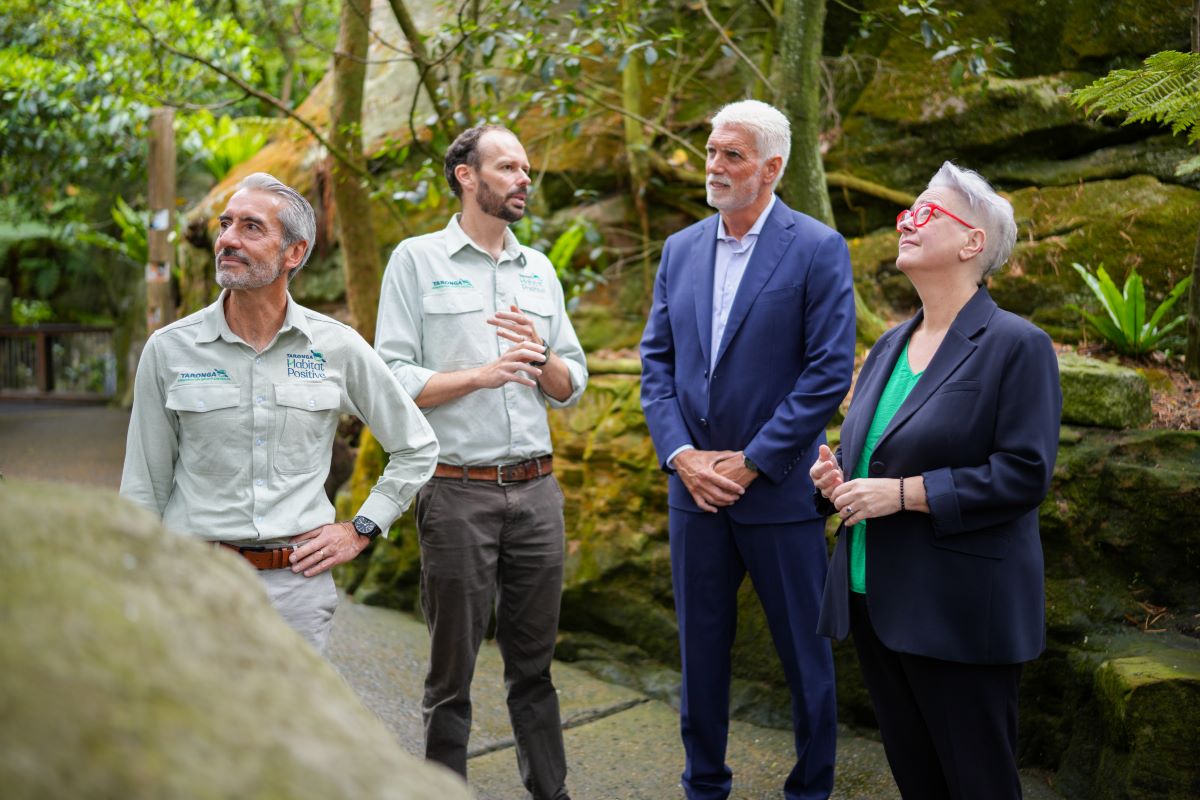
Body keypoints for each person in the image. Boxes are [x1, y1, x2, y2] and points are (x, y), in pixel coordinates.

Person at [811, 162, 1061, 800]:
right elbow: (871, 454)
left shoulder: (1017, 345)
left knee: (979, 783)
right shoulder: (889, 346)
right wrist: (833, 477)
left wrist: (903, 494)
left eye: (925, 212)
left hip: (958, 609)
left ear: (973, 242)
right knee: (918, 782)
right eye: (906, 212)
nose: (907, 222)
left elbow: (1024, 473)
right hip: (875, 602)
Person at [120, 172, 439, 653]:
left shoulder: (336, 346)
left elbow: (416, 445)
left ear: (294, 253)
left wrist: (362, 527)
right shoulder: (169, 350)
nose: (227, 239)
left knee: (288, 729)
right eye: (226, 224)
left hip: (296, 592)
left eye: (251, 228)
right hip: (192, 583)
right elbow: (144, 485)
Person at [639, 99, 857, 800]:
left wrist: (755, 459)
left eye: (732, 155)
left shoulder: (819, 248)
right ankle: (704, 784)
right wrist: (682, 457)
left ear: (773, 167)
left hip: (780, 489)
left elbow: (828, 370)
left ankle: (811, 789)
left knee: (806, 655)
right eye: (711, 151)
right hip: (693, 493)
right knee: (699, 652)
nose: (715, 166)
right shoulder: (680, 249)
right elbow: (657, 365)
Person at [374, 124, 587, 800]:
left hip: (537, 492)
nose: (523, 178)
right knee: (451, 675)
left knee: (536, 669)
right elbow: (392, 377)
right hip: (456, 491)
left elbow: (571, 382)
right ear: (467, 176)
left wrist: (542, 359)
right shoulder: (416, 259)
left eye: (526, 167)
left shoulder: (541, 270)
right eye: (506, 166)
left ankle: (551, 793)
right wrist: (479, 375)